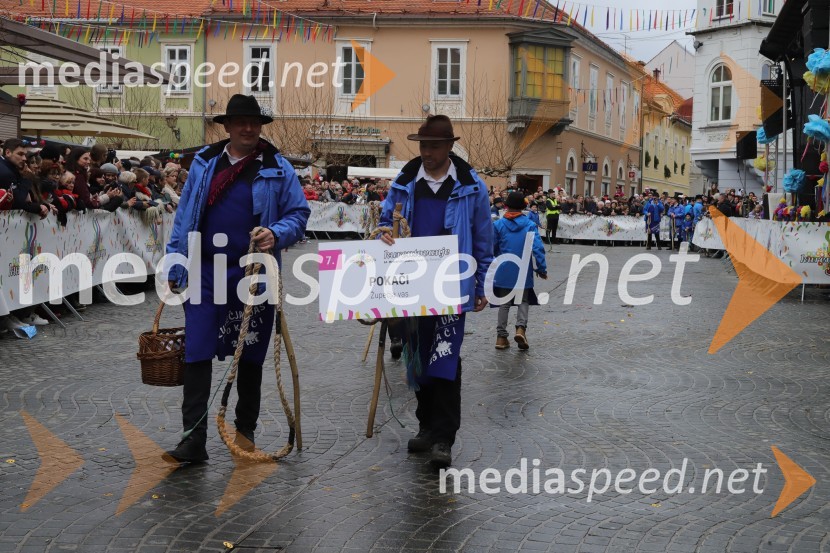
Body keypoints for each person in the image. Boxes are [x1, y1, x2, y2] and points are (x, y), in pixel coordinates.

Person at [163, 94, 310, 463]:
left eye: (254, 122)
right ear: (226, 126)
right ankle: (192, 439)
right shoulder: (204, 162)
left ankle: (244, 433)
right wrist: (175, 264)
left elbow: (299, 213)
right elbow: (185, 216)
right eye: (240, 121)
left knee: (251, 352)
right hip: (205, 270)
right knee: (196, 351)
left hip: (254, 272)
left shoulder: (278, 167)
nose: (248, 128)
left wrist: (276, 233)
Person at [378, 114, 493, 468]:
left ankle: (444, 437)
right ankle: (425, 426)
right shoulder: (404, 182)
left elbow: (483, 237)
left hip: (451, 283)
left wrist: (481, 281)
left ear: (449, 146)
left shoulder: (471, 186)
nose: (427, 152)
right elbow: (385, 221)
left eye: (434, 146)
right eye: (423, 146)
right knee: (417, 357)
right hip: (411, 284)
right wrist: (383, 232)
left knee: (444, 358)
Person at [492, 191, 547, 351]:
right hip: (523, 268)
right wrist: (541, 268)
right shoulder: (529, 225)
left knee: (504, 303)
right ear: (524, 207)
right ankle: (521, 329)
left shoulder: (498, 225)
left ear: (506, 206)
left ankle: (501, 338)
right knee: (523, 300)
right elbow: (537, 248)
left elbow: (492, 247)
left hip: (503, 268)